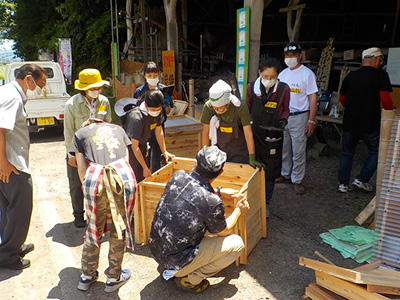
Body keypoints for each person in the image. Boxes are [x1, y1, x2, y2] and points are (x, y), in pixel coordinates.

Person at [149, 146, 249, 293]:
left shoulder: (178, 176)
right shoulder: (212, 202)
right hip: (176, 261)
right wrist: (239, 210)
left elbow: (194, 192)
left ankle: (173, 268)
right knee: (237, 244)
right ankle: (191, 280)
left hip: (157, 251)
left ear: (195, 163)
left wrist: (219, 192)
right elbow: (224, 231)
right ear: (221, 172)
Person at [69, 119, 136, 293]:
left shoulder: (80, 134)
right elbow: (126, 161)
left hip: (96, 181)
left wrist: (87, 190)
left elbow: (81, 167)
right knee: (118, 227)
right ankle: (113, 277)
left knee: (93, 228)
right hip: (121, 178)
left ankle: (87, 275)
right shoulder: (119, 129)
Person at [0, 63, 47, 270]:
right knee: (21, 210)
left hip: (8, 162)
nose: (41, 89)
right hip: (12, 164)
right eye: (40, 84)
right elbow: (0, 130)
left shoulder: (7, 92)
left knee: (7, 208)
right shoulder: (12, 97)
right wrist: (4, 164)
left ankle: (12, 246)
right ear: (28, 78)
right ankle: (9, 255)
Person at [337, 47, 393, 193]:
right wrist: (392, 114)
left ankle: (343, 184)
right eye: (380, 60)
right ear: (375, 59)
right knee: (376, 151)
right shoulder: (381, 76)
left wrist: (352, 108)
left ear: (363, 61)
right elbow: (386, 101)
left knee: (347, 153)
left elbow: (342, 99)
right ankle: (361, 179)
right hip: (370, 123)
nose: (380, 63)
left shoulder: (351, 76)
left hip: (349, 122)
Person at [64, 69, 112, 228]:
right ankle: (78, 214)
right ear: (84, 88)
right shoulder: (72, 104)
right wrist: (70, 155)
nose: (96, 90)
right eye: (93, 88)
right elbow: (69, 131)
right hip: (77, 149)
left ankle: (99, 214)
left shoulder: (104, 101)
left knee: (100, 183)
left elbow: (108, 124)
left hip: (98, 149)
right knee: (76, 184)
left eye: (98, 87)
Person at [246, 58, 290, 204]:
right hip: (254, 134)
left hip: (273, 135)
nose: (269, 80)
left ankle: (266, 202)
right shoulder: (251, 88)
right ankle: (251, 200)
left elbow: (285, 109)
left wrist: (283, 120)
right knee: (252, 167)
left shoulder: (284, 89)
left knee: (270, 171)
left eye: (273, 77)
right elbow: (246, 110)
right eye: (265, 76)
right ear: (259, 73)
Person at [277, 42, 318, 195]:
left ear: (300, 56)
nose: (290, 58)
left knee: (299, 150)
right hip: (285, 116)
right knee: (284, 148)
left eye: (293, 55)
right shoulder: (283, 74)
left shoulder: (307, 74)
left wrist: (311, 120)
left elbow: (313, 98)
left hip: (300, 117)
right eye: (287, 55)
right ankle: (285, 173)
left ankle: (297, 180)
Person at [200, 79, 263, 167]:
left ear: (229, 102)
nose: (219, 111)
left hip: (239, 152)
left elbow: (248, 134)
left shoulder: (240, 108)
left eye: (221, 108)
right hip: (219, 150)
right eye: (215, 108)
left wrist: (252, 157)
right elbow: (206, 133)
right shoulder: (208, 107)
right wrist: (205, 155)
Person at [122, 90, 174, 182]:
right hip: (130, 150)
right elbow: (134, 146)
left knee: (143, 177)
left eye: (158, 109)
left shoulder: (158, 112)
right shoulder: (136, 118)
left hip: (143, 146)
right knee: (134, 176)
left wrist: (164, 151)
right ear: (146, 105)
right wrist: (145, 167)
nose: (156, 112)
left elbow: (159, 131)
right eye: (153, 110)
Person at [134, 61, 173, 173]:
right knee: (144, 155)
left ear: (159, 74)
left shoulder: (164, 89)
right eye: (149, 75)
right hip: (144, 128)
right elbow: (135, 110)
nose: (152, 78)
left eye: (155, 75)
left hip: (159, 126)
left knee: (157, 157)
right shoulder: (139, 91)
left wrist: (166, 103)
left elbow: (168, 110)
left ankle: (156, 177)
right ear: (144, 75)